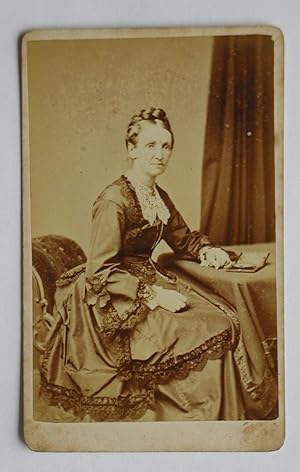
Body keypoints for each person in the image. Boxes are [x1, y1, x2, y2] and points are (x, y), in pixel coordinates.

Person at [39, 107, 277, 422]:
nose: (159, 155)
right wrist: (153, 296)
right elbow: (99, 271)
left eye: (166, 146)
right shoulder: (113, 201)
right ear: (131, 149)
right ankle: (203, 416)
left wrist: (207, 251)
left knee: (224, 317)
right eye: (151, 146)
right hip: (113, 295)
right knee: (210, 328)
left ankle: (223, 414)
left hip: (145, 278)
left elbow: (182, 238)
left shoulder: (156, 195)